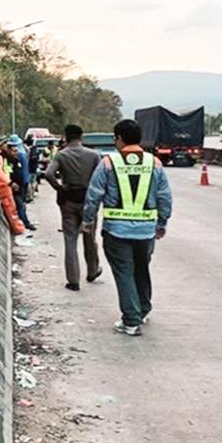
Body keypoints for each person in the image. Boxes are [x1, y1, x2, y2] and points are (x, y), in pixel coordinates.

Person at [82, 119, 172, 336]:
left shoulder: (108, 163)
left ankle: (131, 321)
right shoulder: (155, 163)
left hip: (116, 230)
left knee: (124, 273)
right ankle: (142, 309)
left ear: (119, 138)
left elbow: (94, 195)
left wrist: (87, 220)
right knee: (142, 269)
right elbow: (164, 197)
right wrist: (162, 223)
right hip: (146, 231)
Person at [44, 124, 102, 291]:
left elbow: (48, 174)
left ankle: (73, 280)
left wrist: (60, 188)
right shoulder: (93, 155)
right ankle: (92, 270)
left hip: (68, 201)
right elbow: (100, 178)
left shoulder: (61, 155)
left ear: (65, 137)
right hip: (88, 201)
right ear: (81, 137)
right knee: (89, 237)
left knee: (70, 241)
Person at [7, 135, 36, 230]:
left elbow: (24, 171)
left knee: (21, 205)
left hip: (22, 184)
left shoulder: (20, 157)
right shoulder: (11, 159)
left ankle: (23, 222)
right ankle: (25, 223)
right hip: (16, 186)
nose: (16, 151)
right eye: (14, 150)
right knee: (20, 205)